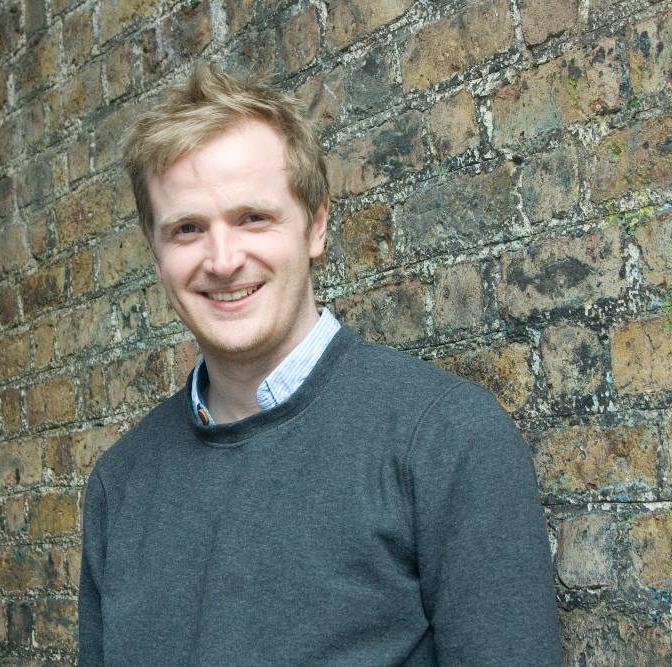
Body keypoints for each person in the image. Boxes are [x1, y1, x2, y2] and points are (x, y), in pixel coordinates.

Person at [78, 64, 562, 667]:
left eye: (253, 217)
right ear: (156, 253)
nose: (223, 259)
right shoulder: (118, 487)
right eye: (188, 229)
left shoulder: (445, 441)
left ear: (316, 225)